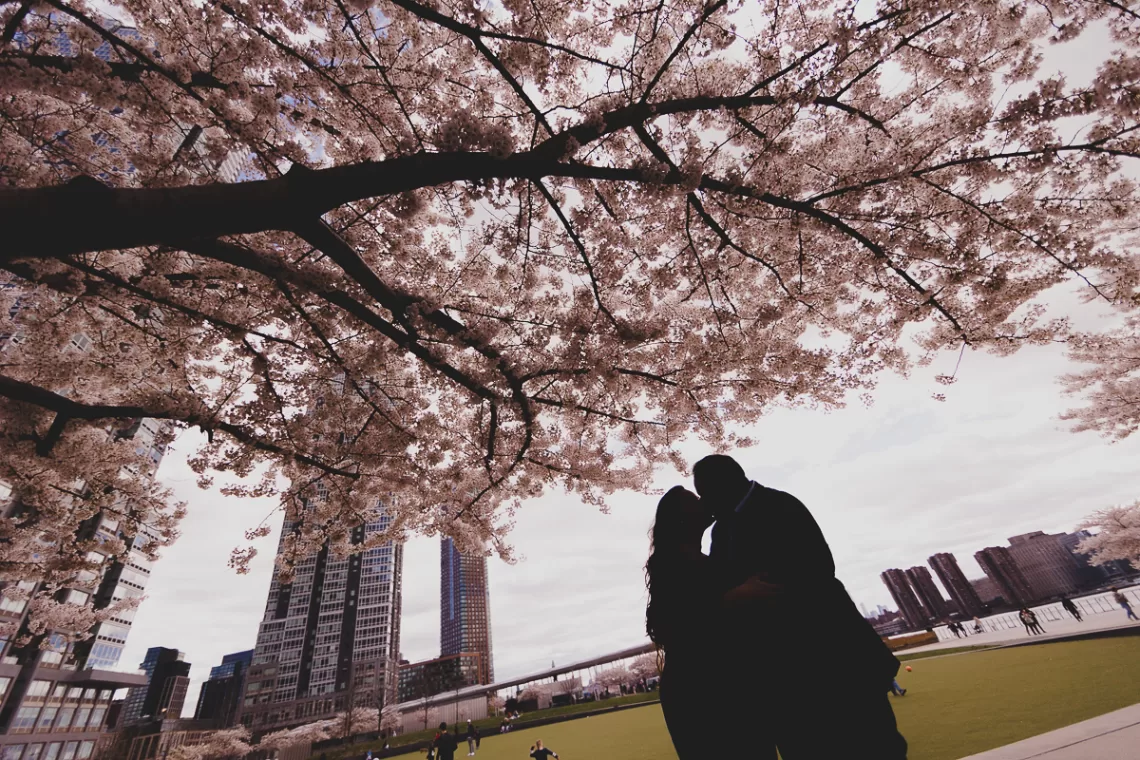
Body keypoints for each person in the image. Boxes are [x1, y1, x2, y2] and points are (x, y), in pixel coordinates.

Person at [692, 455, 906, 759]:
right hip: (781, 675)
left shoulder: (779, 506)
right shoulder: (721, 528)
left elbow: (818, 568)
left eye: (704, 492)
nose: (703, 502)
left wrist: (750, 592)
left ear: (724, 485)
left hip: (833, 656)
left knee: (876, 745)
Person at [645, 486, 768, 759]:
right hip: (700, 689)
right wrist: (737, 595)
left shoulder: (708, 559)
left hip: (727, 684)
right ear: (681, 519)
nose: (703, 501)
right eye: (693, 500)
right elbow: (676, 624)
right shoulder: (670, 566)